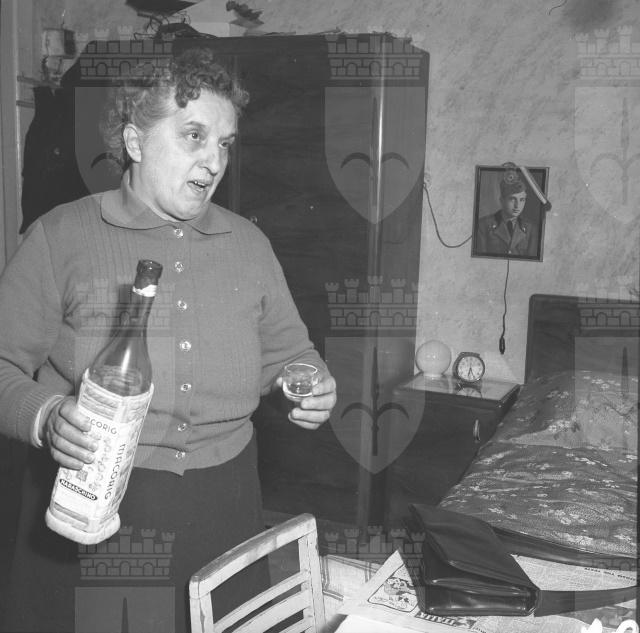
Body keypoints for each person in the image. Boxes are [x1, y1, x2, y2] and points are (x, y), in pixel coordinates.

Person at [0, 47, 337, 633]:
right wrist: (46, 415)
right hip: (93, 509)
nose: (214, 161)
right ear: (135, 142)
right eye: (194, 136)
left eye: (225, 143)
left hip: (223, 510)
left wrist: (307, 383)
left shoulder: (249, 245)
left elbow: (290, 355)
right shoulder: (60, 237)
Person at [475, 174, 539, 258]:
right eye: (512, 199)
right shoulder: (483, 225)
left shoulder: (531, 228)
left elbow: (532, 261)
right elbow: (480, 259)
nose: (517, 205)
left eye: (522, 200)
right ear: (502, 200)